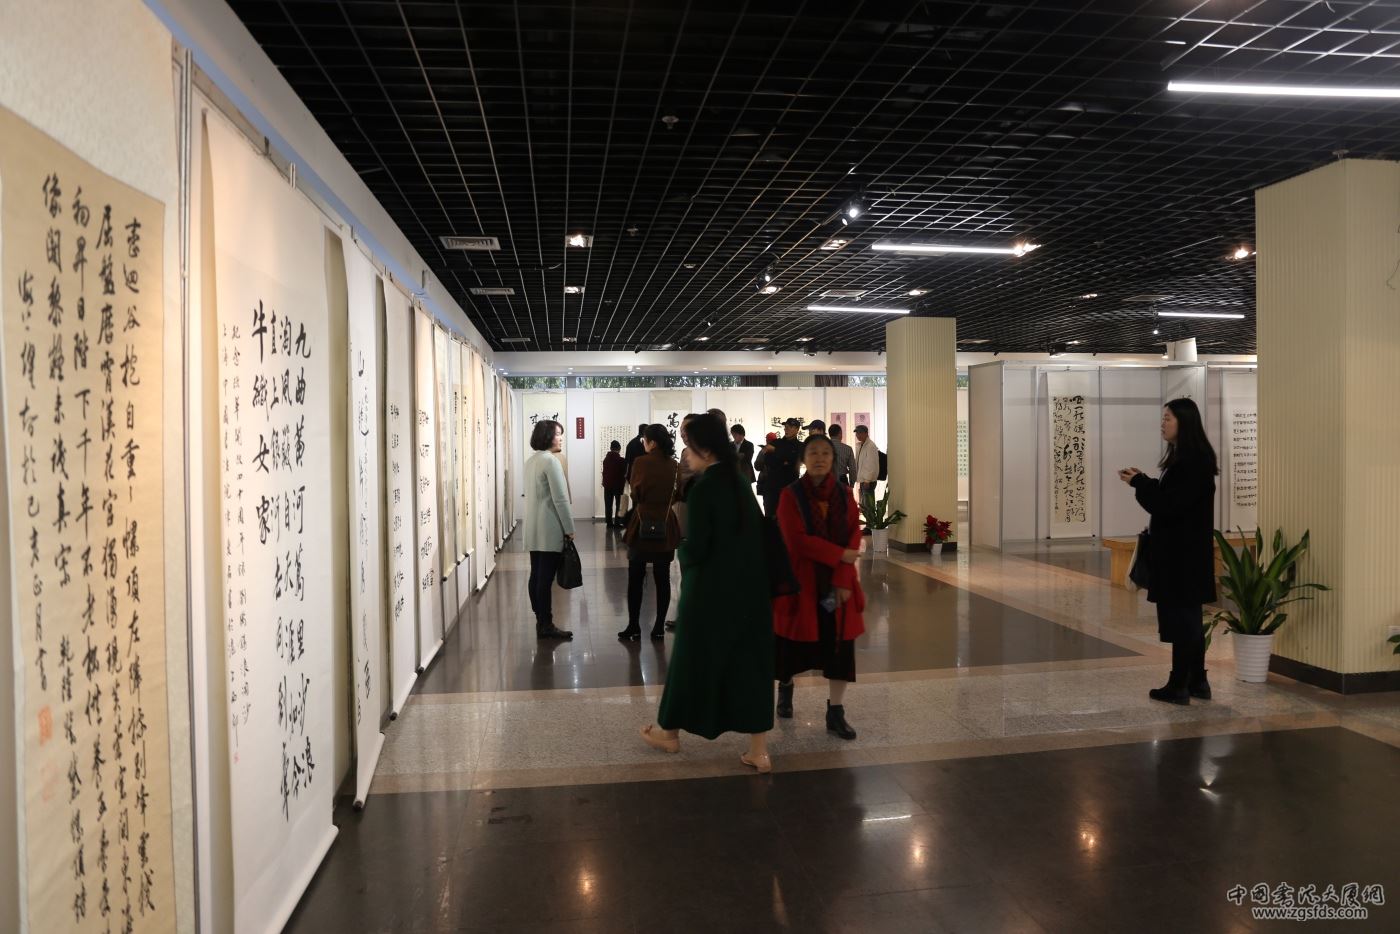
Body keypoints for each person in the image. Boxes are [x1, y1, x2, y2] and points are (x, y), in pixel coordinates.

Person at [639, 413, 775, 772]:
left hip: (710, 593)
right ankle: (759, 750)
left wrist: (682, 552)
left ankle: (669, 731)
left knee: (689, 661)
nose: (685, 453)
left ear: (705, 448)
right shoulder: (740, 482)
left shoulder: (704, 489)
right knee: (749, 666)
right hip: (749, 590)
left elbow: (696, 548)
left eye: (689, 445)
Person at [1119, 398, 1218, 705]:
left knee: (1182, 620)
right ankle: (1197, 681)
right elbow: (1172, 498)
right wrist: (1145, 481)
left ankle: (1179, 685)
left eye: (1168, 419)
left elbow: (1167, 506)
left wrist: (1140, 484)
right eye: (1163, 418)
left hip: (1181, 556)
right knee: (1188, 619)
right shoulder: (1189, 459)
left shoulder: (1191, 463)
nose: (1162, 424)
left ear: (1184, 423)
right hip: (1185, 554)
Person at [772, 434, 865, 740]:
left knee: (839, 648)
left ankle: (835, 712)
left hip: (837, 586)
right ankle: (786, 688)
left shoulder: (844, 494)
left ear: (833, 458)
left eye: (825, 452)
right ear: (803, 458)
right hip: (801, 584)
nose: (820, 458)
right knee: (792, 647)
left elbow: (853, 535)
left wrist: (843, 577)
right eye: (813, 452)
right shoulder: (790, 495)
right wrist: (840, 555)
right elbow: (795, 540)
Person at [619, 425, 679, 641]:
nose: (643, 443)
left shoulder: (640, 462)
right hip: (665, 522)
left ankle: (634, 625)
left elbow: (635, 493)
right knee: (662, 577)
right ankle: (659, 626)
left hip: (642, 522)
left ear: (652, 442)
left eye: (644, 440)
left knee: (635, 576)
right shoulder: (674, 464)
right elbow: (678, 493)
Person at [524, 419, 575, 640]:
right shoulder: (551, 461)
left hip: (533, 528)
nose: (560, 438)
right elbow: (560, 499)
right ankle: (546, 624)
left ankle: (541, 619)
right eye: (557, 434)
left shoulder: (531, 461)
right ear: (547, 437)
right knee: (545, 579)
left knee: (536, 575)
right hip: (549, 527)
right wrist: (569, 528)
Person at [756, 418, 802, 518]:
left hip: (790, 488)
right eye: (785, 426)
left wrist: (775, 451)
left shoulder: (800, 446)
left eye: (790, 427)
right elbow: (768, 461)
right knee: (770, 519)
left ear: (797, 429)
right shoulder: (776, 442)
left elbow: (793, 459)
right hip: (771, 489)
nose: (786, 429)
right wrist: (784, 460)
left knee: (788, 519)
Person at [852, 424, 880, 519]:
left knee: (868, 505)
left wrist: (867, 480)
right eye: (857, 433)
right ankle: (869, 524)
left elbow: (871, 464)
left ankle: (871, 525)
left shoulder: (870, 446)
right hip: (863, 480)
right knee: (864, 505)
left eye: (860, 433)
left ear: (866, 433)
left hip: (868, 481)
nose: (858, 435)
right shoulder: (861, 445)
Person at [601, 440, 626, 529]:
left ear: (610, 448)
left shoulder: (606, 460)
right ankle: (617, 523)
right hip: (618, 485)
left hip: (607, 485)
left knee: (608, 504)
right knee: (618, 505)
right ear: (619, 449)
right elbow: (624, 472)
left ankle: (609, 523)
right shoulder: (621, 460)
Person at [829, 423, 856, 487]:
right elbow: (852, 469)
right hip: (842, 480)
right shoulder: (848, 449)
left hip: (827, 480)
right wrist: (852, 484)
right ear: (840, 433)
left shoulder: (823, 447)